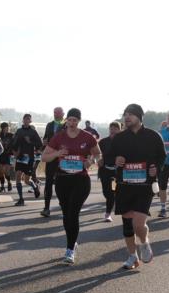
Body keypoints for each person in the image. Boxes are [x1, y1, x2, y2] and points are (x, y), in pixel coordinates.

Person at [41, 108, 101, 264]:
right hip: (63, 180)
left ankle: (69, 250)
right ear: (66, 120)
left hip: (81, 180)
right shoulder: (59, 137)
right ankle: (72, 241)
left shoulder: (87, 137)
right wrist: (57, 154)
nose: (72, 123)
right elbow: (44, 157)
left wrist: (91, 161)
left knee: (73, 213)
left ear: (79, 121)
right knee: (66, 214)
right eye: (70, 120)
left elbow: (98, 154)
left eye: (75, 120)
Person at [111, 103, 166, 270]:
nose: (127, 117)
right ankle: (132, 257)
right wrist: (116, 159)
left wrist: (157, 168)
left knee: (138, 223)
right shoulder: (120, 138)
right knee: (128, 224)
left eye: (131, 114)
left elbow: (162, 157)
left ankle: (144, 242)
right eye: (125, 114)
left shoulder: (153, 136)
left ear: (140, 117)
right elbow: (110, 156)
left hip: (145, 185)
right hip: (124, 185)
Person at [10, 114, 43, 206]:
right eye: (25, 119)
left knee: (26, 180)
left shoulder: (33, 132)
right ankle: (21, 199)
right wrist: (14, 152)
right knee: (18, 176)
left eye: (28, 119)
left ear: (30, 121)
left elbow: (39, 144)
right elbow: (13, 142)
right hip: (20, 157)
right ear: (23, 120)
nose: (27, 120)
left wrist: (30, 142)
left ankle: (35, 187)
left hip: (29, 158)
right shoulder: (19, 131)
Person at [40, 107, 66, 217]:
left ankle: (63, 204)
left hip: (63, 157)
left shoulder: (67, 124)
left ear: (63, 114)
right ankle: (46, 208)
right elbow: (46, 137)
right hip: (51, 156)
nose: (56, 114)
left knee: (62, 182)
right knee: (48, 182)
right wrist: (44, 141)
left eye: (58, 113)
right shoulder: (49, 125)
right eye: (55, 112)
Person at [97, 121, 121, 221]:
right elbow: (97, 154)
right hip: (104, 170)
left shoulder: (123, 142)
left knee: (112, 192)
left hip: (116, 172)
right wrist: (98, 160)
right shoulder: (103, 142)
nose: (113, 130)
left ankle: (107, 214)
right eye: (111, 128)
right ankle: (112, 201)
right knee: (106, 192)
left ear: (119, 130)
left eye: (115, 129)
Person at [0, 121, 15, 192]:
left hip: (9, 155)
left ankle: (9, 182)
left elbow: (15, 144)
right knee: (1, 172)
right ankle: (2, 186)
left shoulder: (11, 135)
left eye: (8, 127)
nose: (8, 129)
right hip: (0, 155)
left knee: (6, 171)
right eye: (6, 127)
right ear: (3, 128)